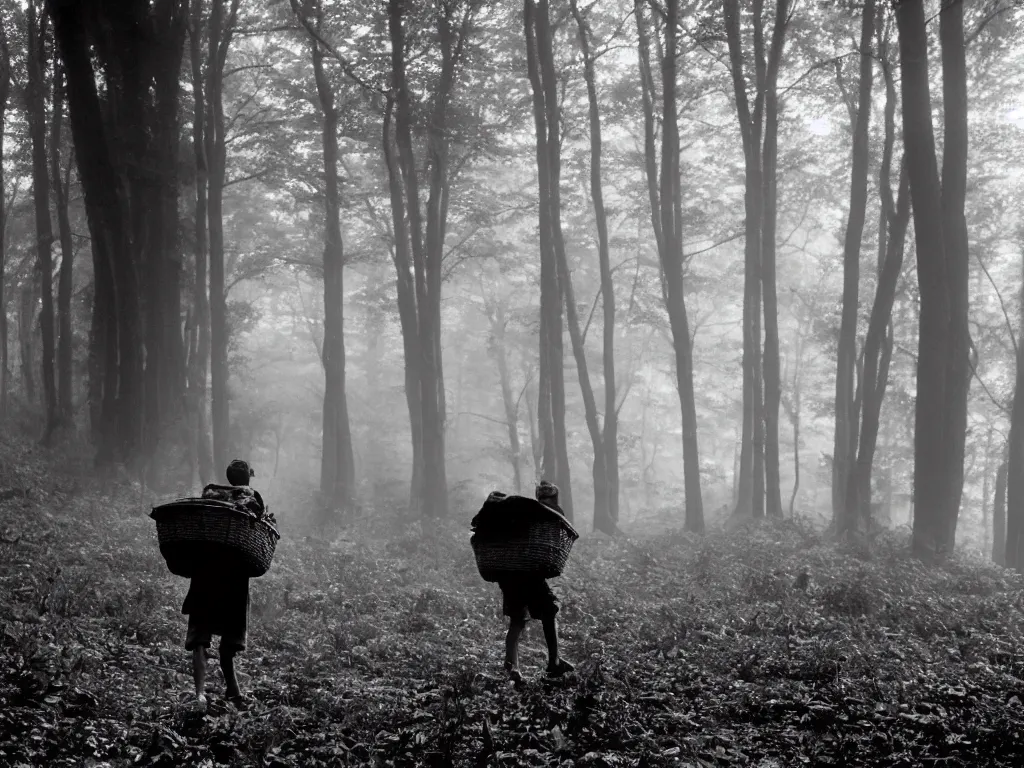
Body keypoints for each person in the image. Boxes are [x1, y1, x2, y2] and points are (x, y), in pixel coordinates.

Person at [183, 459, 260, 710]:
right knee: (229, 640)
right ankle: (233, 692)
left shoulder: (210, 496)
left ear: (228, 477)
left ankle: (200, 694)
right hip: (233, 580)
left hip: (204, 576)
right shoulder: (251, 497)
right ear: (247, 478)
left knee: (200, 639)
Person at [497, 480, 575, 684]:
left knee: (517, 620)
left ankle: (512, 668)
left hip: (509, 575)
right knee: (549, 613)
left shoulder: (517, 517)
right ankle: (554, 663)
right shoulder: (546, 516)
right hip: (530, 575)